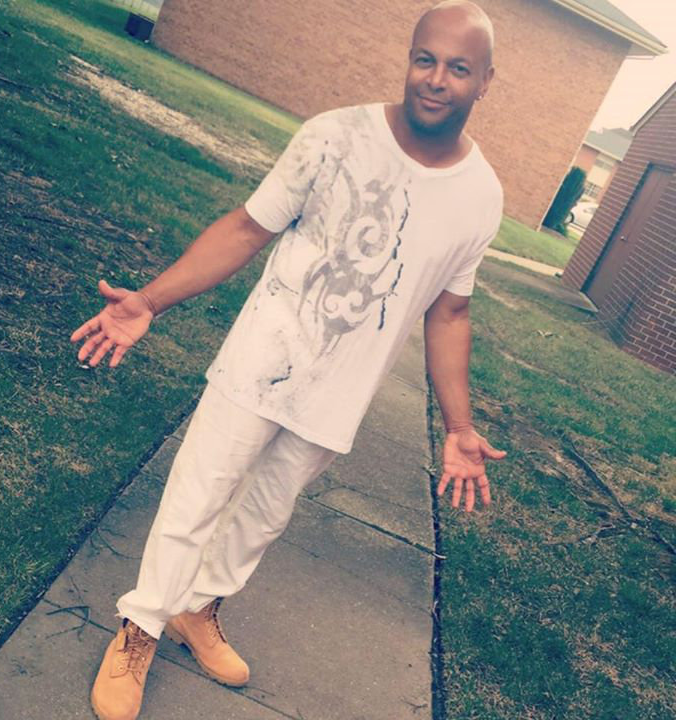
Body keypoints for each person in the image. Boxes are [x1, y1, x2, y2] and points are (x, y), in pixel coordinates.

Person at [72, 2, 507, 719]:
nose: (436, 79)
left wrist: (459, 427)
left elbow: (450, 313)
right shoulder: (335, 136)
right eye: (424, 59)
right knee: (197, 499)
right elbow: (247, 228)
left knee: (263, 517)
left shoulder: (481, 197)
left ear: (485, 81)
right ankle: (140, 626)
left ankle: (197, 609)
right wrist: (149, 300)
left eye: (458, 68)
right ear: (408, 60)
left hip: (338, 392)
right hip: (259, 360)